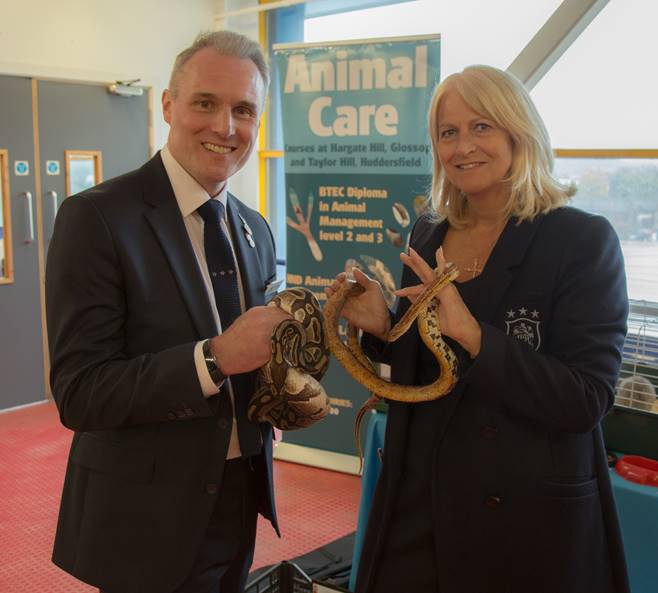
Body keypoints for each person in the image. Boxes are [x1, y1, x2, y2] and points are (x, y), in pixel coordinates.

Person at [327, 65, 630, 593]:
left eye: (482, 126)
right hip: (418, 500)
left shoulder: (581, 241)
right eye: (448, 132)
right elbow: (425, 372)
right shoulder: (428, 233)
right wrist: (383, 329)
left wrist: (476, 336)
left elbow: (586, 399)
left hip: (523, 519)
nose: (463, 145)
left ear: (519, 132)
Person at [46, 31, 289, 593]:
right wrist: (214, 359)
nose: (225, 127)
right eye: (206, 103)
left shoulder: (253, 228)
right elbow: (81, 392)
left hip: (240, 495)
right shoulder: (98, 219)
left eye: (244, 110)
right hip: (145, 516)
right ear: (168, 105)